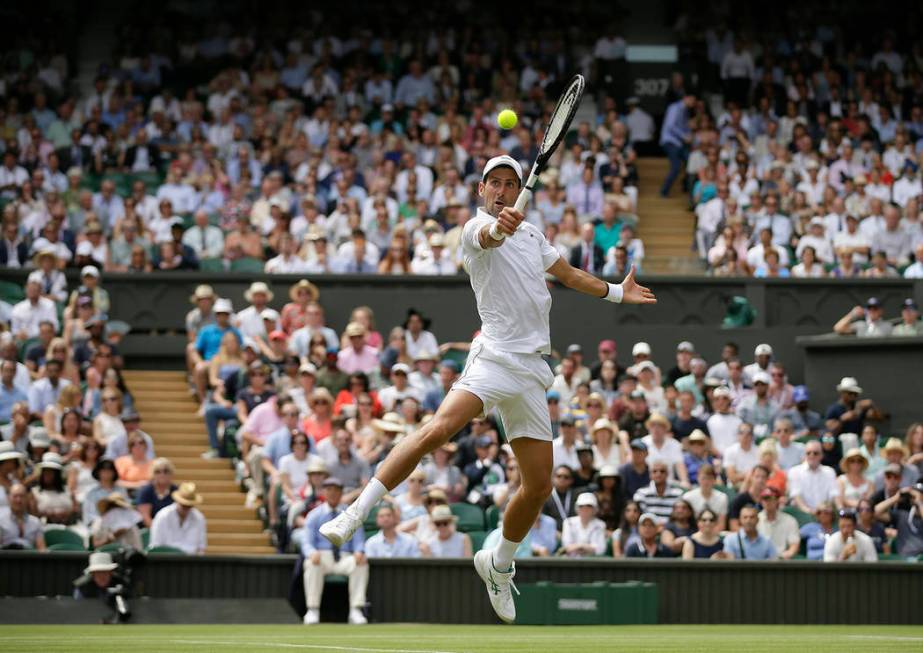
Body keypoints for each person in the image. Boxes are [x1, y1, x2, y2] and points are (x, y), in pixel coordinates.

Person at [318, 155, 655, 623]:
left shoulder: (535, 236)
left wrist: (618, 292)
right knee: (439, 429)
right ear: (482, 191)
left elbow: (571, 276)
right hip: (495, 359)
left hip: (533, 371)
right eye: (494, 183)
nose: (501, 189)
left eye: (510, 183)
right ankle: (355, 512)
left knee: (537, 487)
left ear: (519, 190)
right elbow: (489, 236)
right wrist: (500, 227)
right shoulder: (474, 232)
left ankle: (498, 564)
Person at [302, 476, 368, 625]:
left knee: (361, 563)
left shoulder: (351, 514)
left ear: (341, 492)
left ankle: (356, 610)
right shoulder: (314, 515)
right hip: (322, 557)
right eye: (329, 489)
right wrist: (312, 553)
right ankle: (312, 610)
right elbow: (307, 542)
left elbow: (359, 540)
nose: (332, 493)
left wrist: (359, 551)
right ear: (324, 492)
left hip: (345, 557)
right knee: (311, 563)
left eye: (336, 490)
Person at [149, 482, 207, 554]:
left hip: (190, 561)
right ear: (177, 501)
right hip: (166, 560)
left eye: (189, 506)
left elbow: (201, 548)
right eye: (183, 505)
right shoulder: (162, 516)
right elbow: (156, 545)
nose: (186, 509)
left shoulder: (199, 518)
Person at [788, 441, 838, 513]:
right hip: (804, 514)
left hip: (825, 513)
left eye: (815, 453)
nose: (812, 455)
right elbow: (796, 496)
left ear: (821, 455)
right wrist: (809, 511)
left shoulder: (829, 471)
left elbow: (833, 494)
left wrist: (824, 509)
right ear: (804, 455)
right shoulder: (794, 471)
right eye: (808, 453)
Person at [756, 486, 800, 560]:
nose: (767, 502)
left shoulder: (790, 521)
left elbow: (794, 546)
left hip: (782, 561)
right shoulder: (755, 519)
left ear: (777, 500)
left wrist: (785, 555)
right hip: (760, 560)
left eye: (770, 499)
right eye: (765, 499)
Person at [560, 492, 607, 557]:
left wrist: (579, 546)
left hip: (593, 562)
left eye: (589, 506)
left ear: (595, 508)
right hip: (570, 561)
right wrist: (586, 547)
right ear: (577, 508)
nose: (585, 509)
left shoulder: (600, 524)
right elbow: (566, 547)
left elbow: (600, 549)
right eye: (581, 506)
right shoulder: (568, 522)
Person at [682, 463, 728, 530]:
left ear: (714, 480)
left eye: (709, 479)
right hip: (693, 532)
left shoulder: (722, 498)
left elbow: (721, 525)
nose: (706, 482)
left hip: (714, 534)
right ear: (698, 479)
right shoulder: (688, 497)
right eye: (703, 478)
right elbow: (685, 523)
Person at [0, 483, 46, 549]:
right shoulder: (1, 521)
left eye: (22, 496)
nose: (18, 500)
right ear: (8, 498)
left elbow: (41, 548)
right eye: (15, 496)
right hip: (6, 557)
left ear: (27, 498)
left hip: (29, 557)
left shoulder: (35, 522)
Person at [135, 457, 177, 528]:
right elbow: (145, 517)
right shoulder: (146, 491)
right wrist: (158, 532)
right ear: (152, 474)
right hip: (150, 530)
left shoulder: (177, 491)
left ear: (171, 473)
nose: (162, 474)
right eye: (158, 471)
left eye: (166, 471)